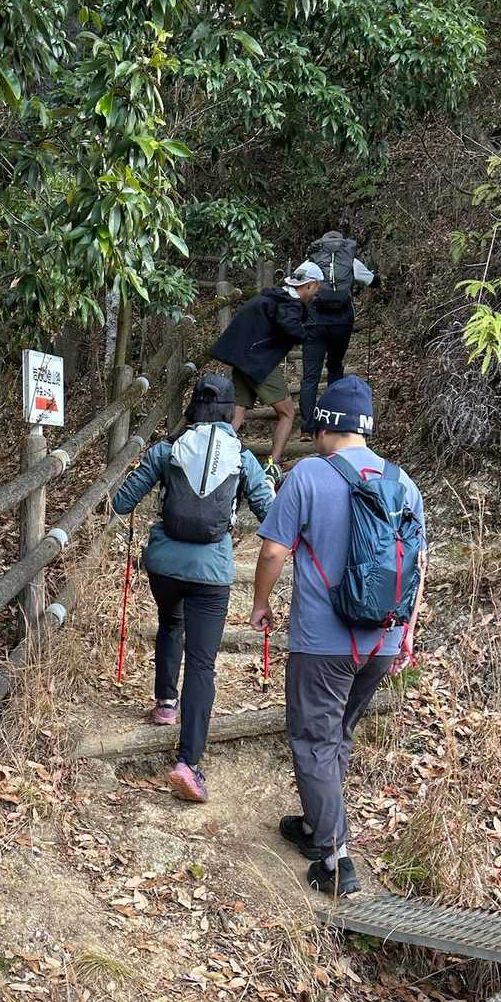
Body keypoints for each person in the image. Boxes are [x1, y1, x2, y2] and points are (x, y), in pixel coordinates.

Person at [250, 375, 426, 896]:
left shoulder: (308, 475)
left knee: (313, 740)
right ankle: (314, 825)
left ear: (325, 426)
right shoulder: (404, 482)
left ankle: (334, 860)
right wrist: (407, 632)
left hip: (323, 643)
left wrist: (260, 603)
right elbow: (417, 566)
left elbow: (273, 550)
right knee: (337, 735)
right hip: (382, 639)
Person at [113, 372, 275, 804]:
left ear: (194, 408)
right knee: (202, 665)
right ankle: (188, 763)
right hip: (212, 572)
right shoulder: (242, 457)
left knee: (170, 622)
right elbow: (271, 513)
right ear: (231, 412)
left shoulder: (167, 449)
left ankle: (166, 705)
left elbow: (122, 501)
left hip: (164, 565)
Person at [210, 263, 323, 465]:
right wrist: (308, 336)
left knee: (238, 409)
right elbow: (288, 323)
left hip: (242, 359)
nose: (317, 292)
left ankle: (213, 460)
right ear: (310, 285)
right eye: (317, 287)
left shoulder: (273, 296)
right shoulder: (288, 303)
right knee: (287, 413)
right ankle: (273, 464)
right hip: (257, 363)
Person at [299, 230, 379, 439]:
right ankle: (332, 423)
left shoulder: (312, 261)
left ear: (321, 243)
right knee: (335, 368)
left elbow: (293, 286)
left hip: (314, 323)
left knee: (310, 376)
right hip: (342, 323)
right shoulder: (350, 259)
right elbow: (373, 281)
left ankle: (306, 428)